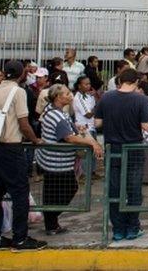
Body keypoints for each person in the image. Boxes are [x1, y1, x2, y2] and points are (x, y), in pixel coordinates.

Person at [0, 60, 46, 252]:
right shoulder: (18, 92)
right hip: (12, 148)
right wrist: (35, 140)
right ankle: (20, 239)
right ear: (21, 74)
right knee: (20, 194)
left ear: (4, 73)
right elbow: (23, 123)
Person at [94, 68, 148, 242]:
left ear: (120, 81)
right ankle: (132, 228)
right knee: (134, 190)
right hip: (133, 149)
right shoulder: (141, 99)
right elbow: (147, 127)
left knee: (114, 189)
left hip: (112, 149)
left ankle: (118, 229)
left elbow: (98, 122)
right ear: (136, 82)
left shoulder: (106, 97)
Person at [36, 84, 104, 235]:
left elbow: (69, 129)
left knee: (52, 193)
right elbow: (68, 137)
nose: (70, 95)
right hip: (57, 163)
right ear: (58, 97)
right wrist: (91, 142)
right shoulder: (57, 115)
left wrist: (77, 129)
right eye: (67, 94)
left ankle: (51, 223)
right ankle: (51, 219)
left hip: (53, 161)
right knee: (68, 189)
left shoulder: (54, 111)